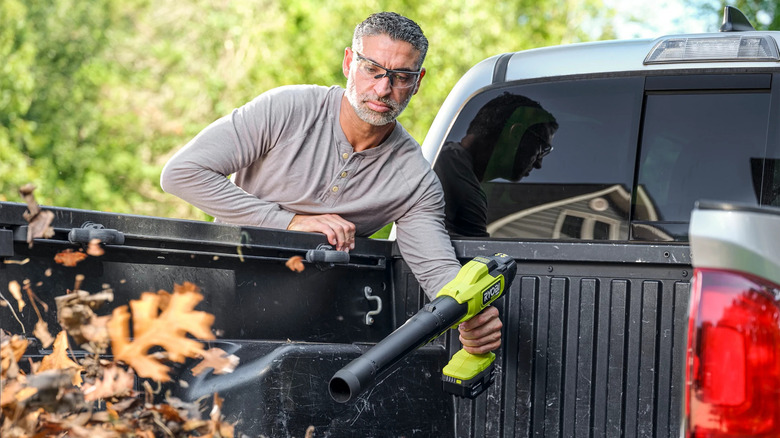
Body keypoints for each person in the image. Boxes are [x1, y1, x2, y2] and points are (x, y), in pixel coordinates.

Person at [160, 12, 502, 355]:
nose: (383, 89)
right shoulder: (286, 110)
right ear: (349, 62)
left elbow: (436, 268)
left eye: (400, 77)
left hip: (315, 332)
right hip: (219, 308)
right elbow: (181, 174)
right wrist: (291, 223)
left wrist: (470, 314)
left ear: (417, 81)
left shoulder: (414, 180)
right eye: (372, 69)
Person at [434, 93, 558, 237]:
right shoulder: (461, 187)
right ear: (516, 134)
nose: (539, 164)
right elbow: (482, 254)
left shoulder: (448, 162)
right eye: (542, 148)